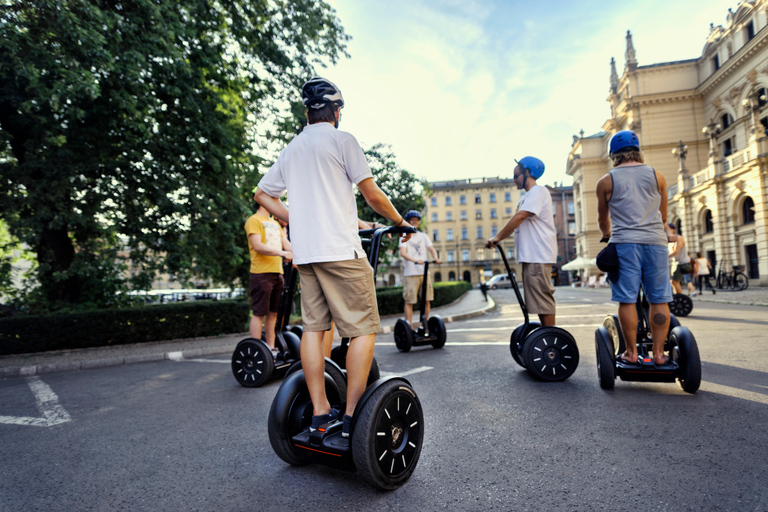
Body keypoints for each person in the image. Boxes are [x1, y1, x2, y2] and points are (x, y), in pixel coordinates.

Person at [253, 77, 412, 438]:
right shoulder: (343, 141)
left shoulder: (292, 148)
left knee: (313, 329)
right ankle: (354, 415)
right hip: (342, 251)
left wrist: (298, 218)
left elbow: (263, 195)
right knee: (363, 329)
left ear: (306, 112)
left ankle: (321, 413)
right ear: (336, 112)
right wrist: (400, 222)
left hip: (307, 255)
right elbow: (371, 194)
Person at [595, 130, 674, 365]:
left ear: (613, 155)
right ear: (637, 151)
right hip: (656, 244)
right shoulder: (657, 176)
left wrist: (607, 235)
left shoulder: (606, 181)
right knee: (659, 298)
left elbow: (602, 219)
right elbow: (663, 216)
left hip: (624, 245)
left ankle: (631, 353)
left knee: (627, 300)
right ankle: (659, 354)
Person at [485, 156, 557, 326]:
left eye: (516, 175)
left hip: (538, 255)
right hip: (531, 256)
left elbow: (521, 216)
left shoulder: (538, 191)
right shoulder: (527, 197)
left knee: (542, 300)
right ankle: (547, 337)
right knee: (538, 302)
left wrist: (497, 237)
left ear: (527, 173)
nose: (513, 179)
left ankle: (551, 340)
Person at [245, 203, 292, 357]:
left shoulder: (274, 224)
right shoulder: (254, 220)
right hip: (261, 273)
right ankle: (256, 350)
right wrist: (282, 253)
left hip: (277, 273)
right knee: (259, 313)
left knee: (273, 314)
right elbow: (257, 246)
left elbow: (286, 244)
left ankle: (271, 349)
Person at [399, 210, 441, 330]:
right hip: (411, 273)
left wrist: (436, 258)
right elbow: (403, 253)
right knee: (409, 301)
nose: (414, 222)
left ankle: (425, 325)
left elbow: (431, 249)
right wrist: (415, 260)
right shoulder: (404, 235)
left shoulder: (423, 236)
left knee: (427, 300)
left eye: (416, 220)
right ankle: (409, 327)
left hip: (424, 272)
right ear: (408, 222)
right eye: (412, 220)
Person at [668, 223, 692, 295]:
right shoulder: (671, 241)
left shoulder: (679, 238)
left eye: (668, 229)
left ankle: (680, 297)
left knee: (675, 281)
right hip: (677, 263)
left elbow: (676, 251)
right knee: (673, 281)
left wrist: (665, 257)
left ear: (673, 229)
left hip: (683, 263)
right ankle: (677, 297)